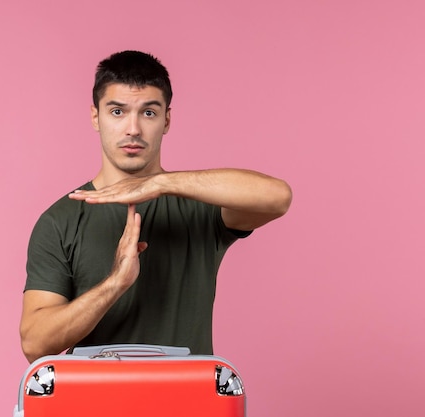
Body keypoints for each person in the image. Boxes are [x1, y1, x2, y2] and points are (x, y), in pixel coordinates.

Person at [19, 50, 292, 363]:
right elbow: (35, 344)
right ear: (96, 117)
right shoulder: (61, 220)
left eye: (148, 113)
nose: (133, 129)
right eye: (117, 112)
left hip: (188, 401)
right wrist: (115, 284)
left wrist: (159, 184)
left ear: (167, 120)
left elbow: (277, 196)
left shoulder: (199, 207)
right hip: (94, 402)